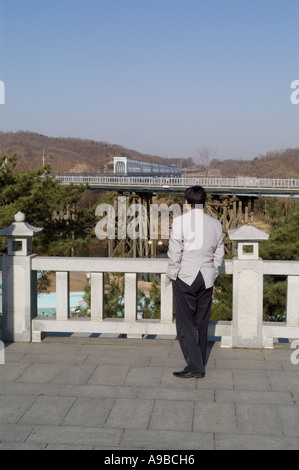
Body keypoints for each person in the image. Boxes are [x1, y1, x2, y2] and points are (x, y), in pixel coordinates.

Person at [166, 186, 224, 379]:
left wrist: (173, 273)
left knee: (185, 323)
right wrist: (213, 271)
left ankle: (194, 366)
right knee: (201, 321)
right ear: (204, 202)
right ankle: (199, 360)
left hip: (186, 275)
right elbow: (219, 253)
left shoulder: (180, 222)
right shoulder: (215, 223)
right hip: (206, 276)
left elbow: (175, 252)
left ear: (186, 202)